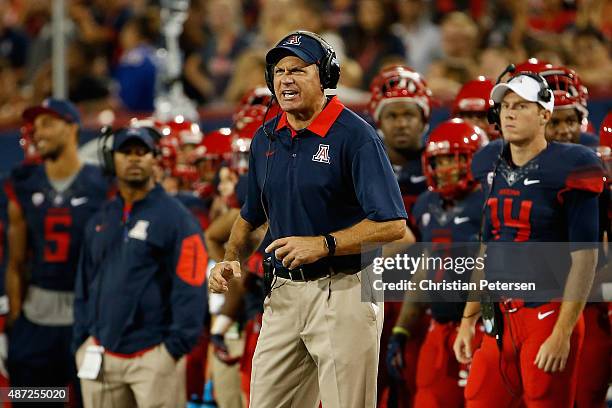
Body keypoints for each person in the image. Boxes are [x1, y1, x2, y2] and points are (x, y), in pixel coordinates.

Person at [209, 30, 407, 408]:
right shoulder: (267, 138)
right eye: (280, 71)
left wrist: (323, 244)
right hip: (283, 294)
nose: (286, 79)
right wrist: (231, 256)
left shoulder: (356, 136)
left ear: (326, 76)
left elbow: (392, 224)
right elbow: (251, 216)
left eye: (298, 69)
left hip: (344, 290)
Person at [453, 71, 604, 407]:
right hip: (501, 318)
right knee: (478, 398)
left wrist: (563, 331)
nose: (509, 113)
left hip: (547, 312)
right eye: (505, 105)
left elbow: (585, 257)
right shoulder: (487, 162)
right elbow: (486, 247)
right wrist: (468, 319)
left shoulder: (573, 165)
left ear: (544, 114)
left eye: (521, 105)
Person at [73, 126, 208, 407]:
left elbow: (192, 285)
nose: (134, 159)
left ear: (154, 158)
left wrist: (173, 349)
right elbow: (84, 284)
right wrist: (83, 339)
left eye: (141, 152)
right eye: (126, 152)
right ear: (112, 159)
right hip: (101, 353)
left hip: (153, 357)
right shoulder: (102, 218)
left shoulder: (177, 219)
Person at [4, 99, 108, 399]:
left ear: (72, 127)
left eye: (48, 124)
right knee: (35, 399)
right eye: (35, 127)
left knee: (87, 401)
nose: (38, 133)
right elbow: (16, 262)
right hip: (36, 321)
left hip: (85, 320)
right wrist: (15, 319)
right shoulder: (23, 184)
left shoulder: (102, 185)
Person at [388, 119, 486, 408]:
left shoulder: (488, 201)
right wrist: (402, 329)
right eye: (438, 161)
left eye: (453, 160)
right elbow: (425, 270)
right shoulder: (426, 204)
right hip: (438, 326)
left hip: (480, 326)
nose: (444, 170)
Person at [513, 59, 598, 147]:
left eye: (571, 122)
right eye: (554, 123)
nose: (564, 130)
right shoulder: (505, 153)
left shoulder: (592, 146)